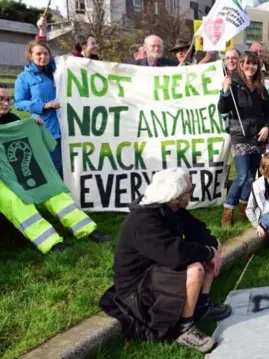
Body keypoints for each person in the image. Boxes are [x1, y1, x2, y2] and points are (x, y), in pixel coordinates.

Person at [99, 168, 231, 353]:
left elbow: (197, 229)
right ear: (176, 197)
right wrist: (207, 252)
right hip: (137, 287)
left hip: (157, 268)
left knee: (213, 244)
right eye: (189, 191)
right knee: (195, 269)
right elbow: (175, 254)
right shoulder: (143, 221)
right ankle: (185, 328)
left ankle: (202, 306)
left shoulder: (171, 208)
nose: (192, 194)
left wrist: (211, 248)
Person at [0, 85, 111, 253]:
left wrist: (33, 124)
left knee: (52, 189)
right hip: (3, 179)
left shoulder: (15, 120)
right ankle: (50, 243)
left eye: (8, 99)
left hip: (19, 171)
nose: (6, 103)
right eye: (1, 99)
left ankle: (87, 229)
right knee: (15, 201)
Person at [219, 52, 269, 227]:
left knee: (251, 177)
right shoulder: (233, 85)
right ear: (241, 65)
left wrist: (266, 127)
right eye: (247, 64)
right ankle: (228, 210)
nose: (251, 67)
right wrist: (225, 91)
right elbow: (222, 109)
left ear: (258, 67)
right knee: (242, 176)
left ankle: (244, 204)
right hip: (240, 135)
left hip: (257, 136)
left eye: (254, 64)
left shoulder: (260, 88)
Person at [14, 40, 63, 177]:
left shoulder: (57, 72)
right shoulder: (24, 77)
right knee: (55, 166)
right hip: (45, 128)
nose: (43, 57)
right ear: (30, 56)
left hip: (66, 128)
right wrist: (43, 106)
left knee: (68, 166)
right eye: (38, 54)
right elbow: (18, 103)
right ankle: (59, 197)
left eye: (46, 53)